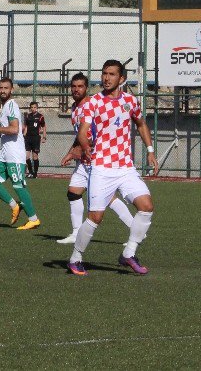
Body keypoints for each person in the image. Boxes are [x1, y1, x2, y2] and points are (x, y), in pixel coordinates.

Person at [68, 60, 158, 276]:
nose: (106, 78)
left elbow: (141, 123)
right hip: (101, 168)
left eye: (111, 74)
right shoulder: (94, 103)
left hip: (125, 167)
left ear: (122, 78)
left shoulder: (130, 101)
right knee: (95, 218)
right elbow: (83, 131)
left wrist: (150, 150)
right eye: (104, 73)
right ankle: (75, 258)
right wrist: (85, 145)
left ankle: (129, 253)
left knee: (146, 206)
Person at [57, 72, 134, 244]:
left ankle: (136, 230)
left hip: (95, 160)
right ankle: (76, 233)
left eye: (80, 86)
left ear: (86, 88)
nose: (76, 90)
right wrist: (72, 151)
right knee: (73, 193)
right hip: (83, 162)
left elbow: (97, 133)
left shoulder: (91, 105)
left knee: (108, 198)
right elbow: (80, 135)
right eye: (74, 86)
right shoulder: (75, 108)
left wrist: (84, 148)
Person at [0, 78, 40, 230]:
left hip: (14, 153)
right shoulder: (6, 107)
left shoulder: (12, 105)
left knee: (18, 186)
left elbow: (15, 129)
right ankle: (14, 206)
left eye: (6, 88)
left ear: (12, 89)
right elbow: (16, 129)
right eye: (0, 88)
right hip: (5, 153)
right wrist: (0, 133)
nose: (2, 90)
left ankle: (33, 219)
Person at [23, 101, 46, 178]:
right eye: (32, 107)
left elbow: (44, 127)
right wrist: (24, 135)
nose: (33, 109)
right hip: (28, 138)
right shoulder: (28, 116)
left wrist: (44, 137)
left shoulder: (40, 116)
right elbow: (26, 127)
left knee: (35, 157)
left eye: (34, 107)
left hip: (36, 138)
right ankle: (30, 172)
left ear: (37, 108)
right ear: (30, 108)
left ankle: (35, 173)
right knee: (26, 157)